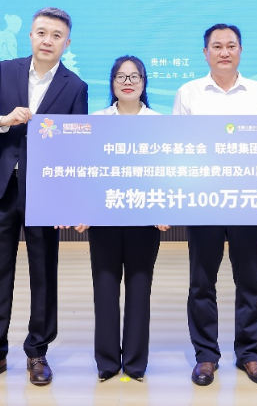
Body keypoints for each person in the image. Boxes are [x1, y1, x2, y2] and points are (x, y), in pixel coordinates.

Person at [0, 7, 88, 390]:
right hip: (2, 187)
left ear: (67, 43)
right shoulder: (5, 70)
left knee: (43, 271)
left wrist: (69, 200)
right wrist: (2, 121)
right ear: (31, 36)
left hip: (45, 192)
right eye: (41, 32)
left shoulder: (75, 86)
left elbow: (75, 147)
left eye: (56, 35)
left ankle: (37, 352)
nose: (48, 40)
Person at [172, 24, 257, 386]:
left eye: (231, 45)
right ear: (205, 53)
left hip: (248, 198)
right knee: (202, 281)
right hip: (203, 198)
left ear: (240, 51)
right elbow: (178, 145)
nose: (224, 52)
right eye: (217, 46)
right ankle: (206, 356)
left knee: (249, 280)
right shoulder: (189, 92)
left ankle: (249, 354)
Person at [86, 56, 168, 382]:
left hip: (145, 219)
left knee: (139, 288)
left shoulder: (159, 123)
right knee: (104, 288)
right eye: (121, 76)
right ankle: (107, 362)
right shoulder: (96, 121)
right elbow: (86, 169)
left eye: (134, 76)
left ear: (144, 82)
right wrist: (83, 208)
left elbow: (167, 171)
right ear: (112, 83)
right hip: (104, 216)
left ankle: (135, 363)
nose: (128, 82)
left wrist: (165, 208)